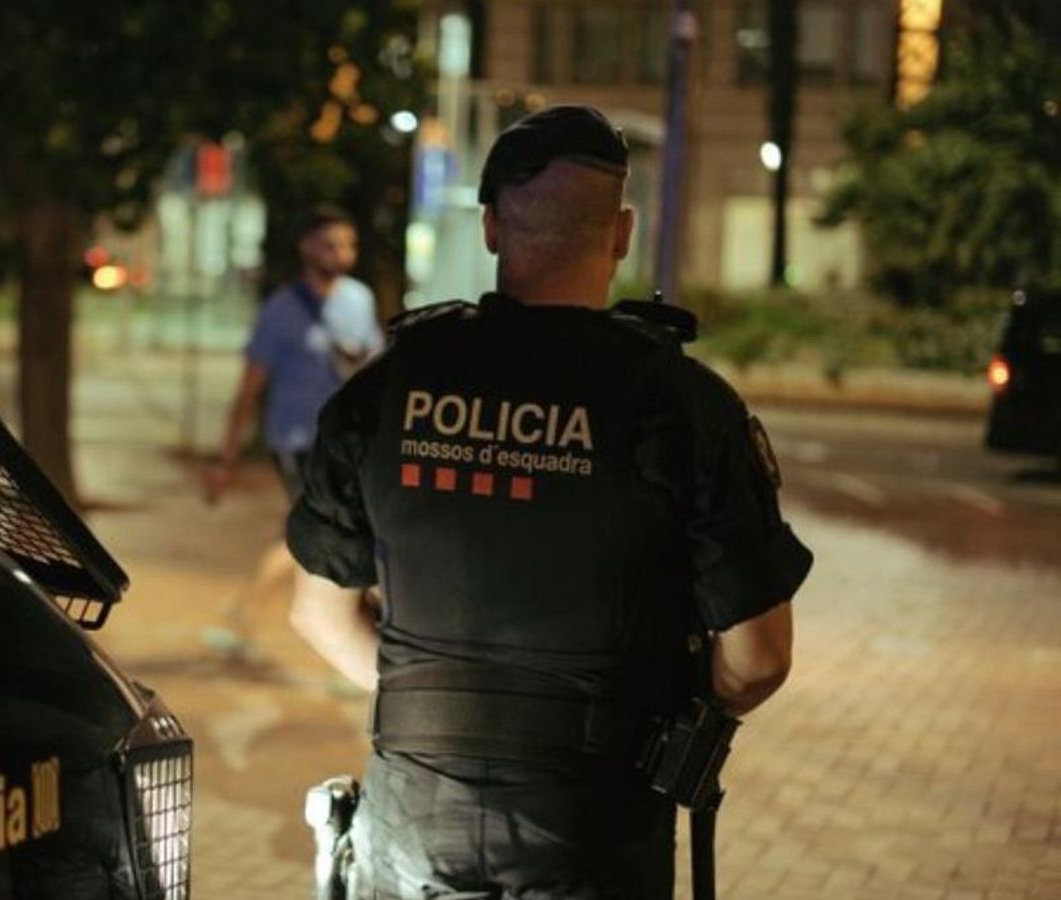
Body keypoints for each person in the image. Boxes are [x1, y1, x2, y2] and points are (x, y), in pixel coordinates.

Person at [284, 105, 813, 899]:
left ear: (492, 226)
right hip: (592, 828)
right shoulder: (682, 404)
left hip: (414, 824)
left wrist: (444, 712)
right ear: (623, 233)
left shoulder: (388, 390)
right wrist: (648, 722)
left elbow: (319, 613)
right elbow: (759, 658)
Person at [203, 206, 384, 652]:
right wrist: (226, 458)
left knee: (305, 533)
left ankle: (240, 615)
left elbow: (375, 367)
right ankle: (246, 615)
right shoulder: (280, 312)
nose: (341, 253)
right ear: (306, 247)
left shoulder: (359, 300)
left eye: (348, 243)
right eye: (330, 243)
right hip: (299, 441)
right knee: (315, 533)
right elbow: (249, 388)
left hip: (350, 443)